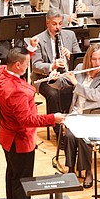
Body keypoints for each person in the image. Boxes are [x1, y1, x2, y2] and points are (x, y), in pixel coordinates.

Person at [0, 47, 65, 199]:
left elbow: (19, 63)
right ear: (17, 65)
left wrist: (30, 51)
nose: (28, 65)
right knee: (22, 181)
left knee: (12, 175)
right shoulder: (16, 92)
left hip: (6, 136)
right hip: (20, 140)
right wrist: (52, 118)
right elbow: (27, 120)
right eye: (26, 63)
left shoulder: (0, 72)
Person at [48, 44, 100, 188]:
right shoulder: (80, 69)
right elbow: (64, 82)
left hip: (94, 116)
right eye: (94, 59)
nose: (98, 63)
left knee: (83, 137)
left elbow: (96, 95)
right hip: (76, 114)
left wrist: (76, 84)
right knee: (70, 136)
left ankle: (88, 170)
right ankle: (71, 169)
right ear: (88, 59)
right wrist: (54, 79)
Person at [31, 8, 81, 139]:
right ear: (47, 23)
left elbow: (79, 58)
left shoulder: (70, 36)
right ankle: (58, 132)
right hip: (46, 78)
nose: (58, 27)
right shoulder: (39, 39)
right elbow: (36, 65)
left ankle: (71, 125)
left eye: (60, 23)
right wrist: (52, 66)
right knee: (53, 94)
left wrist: (70, 56)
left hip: (66, 75)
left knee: (75, 89)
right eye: (54, 24)